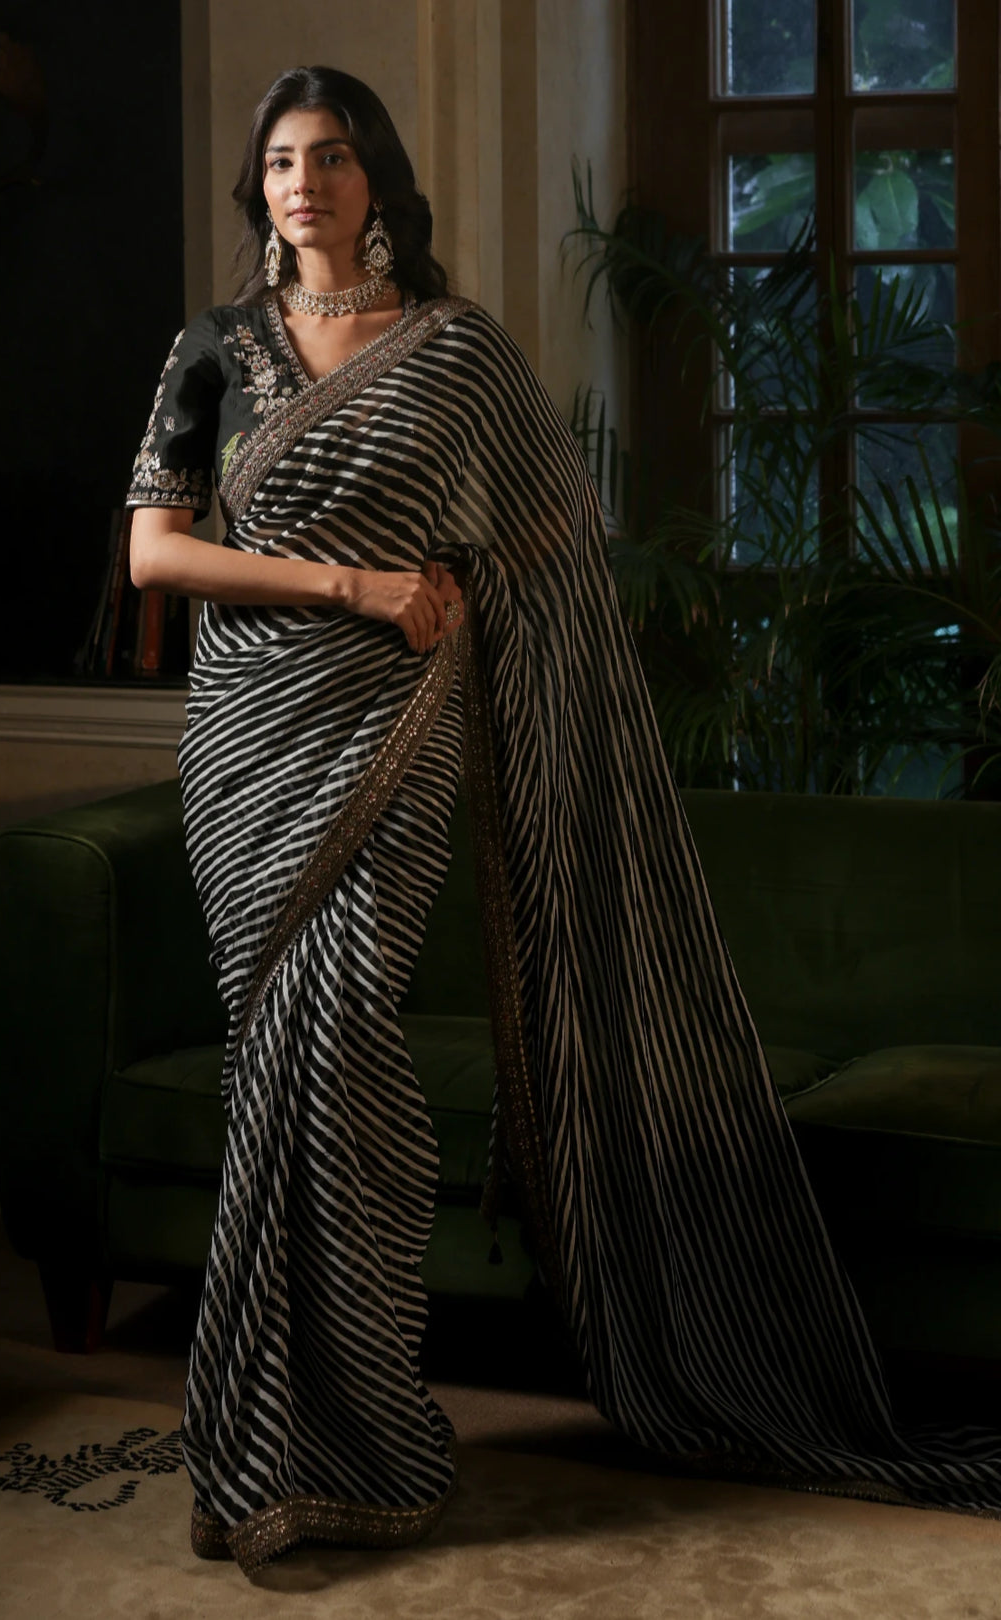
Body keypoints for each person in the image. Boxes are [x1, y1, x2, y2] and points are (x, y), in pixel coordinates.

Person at [127, 65, 1001, 1580]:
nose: (305, 183)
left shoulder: (456, 356)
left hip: (393, 746)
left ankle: (338, 1427)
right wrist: (358, 586)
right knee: (286, 1050)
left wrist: (465, 605)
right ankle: (279, 1443)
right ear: (257, 189)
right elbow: (154, 555)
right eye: (280, 161)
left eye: (332, 156)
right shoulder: (209, 352)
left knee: (337, 1042)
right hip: (246, 750)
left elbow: (546, 550)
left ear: (379, 179)